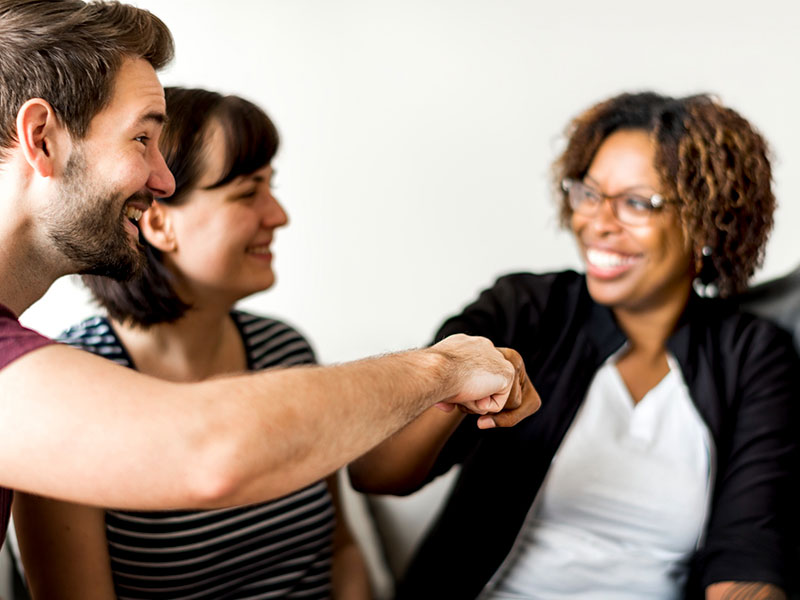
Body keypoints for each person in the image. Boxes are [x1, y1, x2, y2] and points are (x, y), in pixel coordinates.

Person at [0, 0, 537, 549]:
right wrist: (444, 368)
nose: (162, 181)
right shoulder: (48, 371)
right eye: (141, 139)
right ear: (41, 138)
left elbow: (341, 537)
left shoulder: (280, 347)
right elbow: (211, 452)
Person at [349, 92, 800, 599]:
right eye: (589, 193)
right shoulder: (526, 310)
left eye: (637, 202)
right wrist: (447, 376)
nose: (597, 222)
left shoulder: (750, 355)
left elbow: (748, 555)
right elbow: (374, 473)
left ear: (708, 223)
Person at [11, 86, 372, 599]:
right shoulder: (66, 391)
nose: (278, 215)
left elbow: (342, 551)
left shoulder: (286, 351)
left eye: (271, 187)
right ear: (159, 221)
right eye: (247, 193)